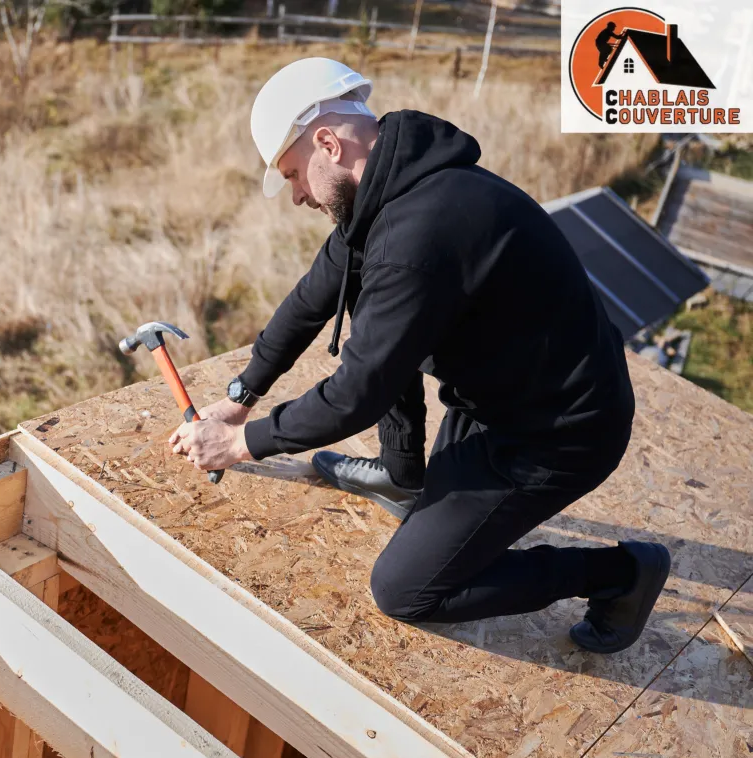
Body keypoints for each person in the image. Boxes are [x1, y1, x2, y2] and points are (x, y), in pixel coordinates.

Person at [168, 58, 669, 653]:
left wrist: (240, 444)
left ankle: (620, 574)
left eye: (294, 174)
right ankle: (402, 473)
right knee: (375, 315)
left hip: (559, 434)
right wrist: (240, 397)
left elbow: (357, 394)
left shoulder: (418, 236)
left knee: (405, 589)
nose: (297, 196)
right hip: (500, 401)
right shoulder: (392, 192)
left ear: (328, 143)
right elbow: (310, 299)